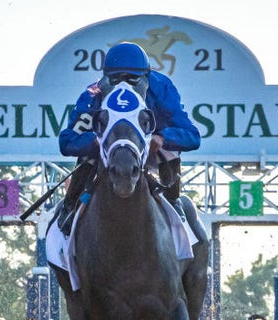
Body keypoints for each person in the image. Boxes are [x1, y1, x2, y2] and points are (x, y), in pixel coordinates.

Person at [58, 42, 201, 233]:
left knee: (170, 150)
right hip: (109, 152)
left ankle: (173, 200)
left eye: (133, 79)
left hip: (149, 150)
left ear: (146, 77)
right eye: (116, 79)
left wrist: (162, 138)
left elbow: (192, 136)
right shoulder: (93, 95)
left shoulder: (161, 88)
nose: (124, 84)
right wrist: (95, 140)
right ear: (105, 77)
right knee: (88, 153)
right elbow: (67, 142)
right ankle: (70, 204)